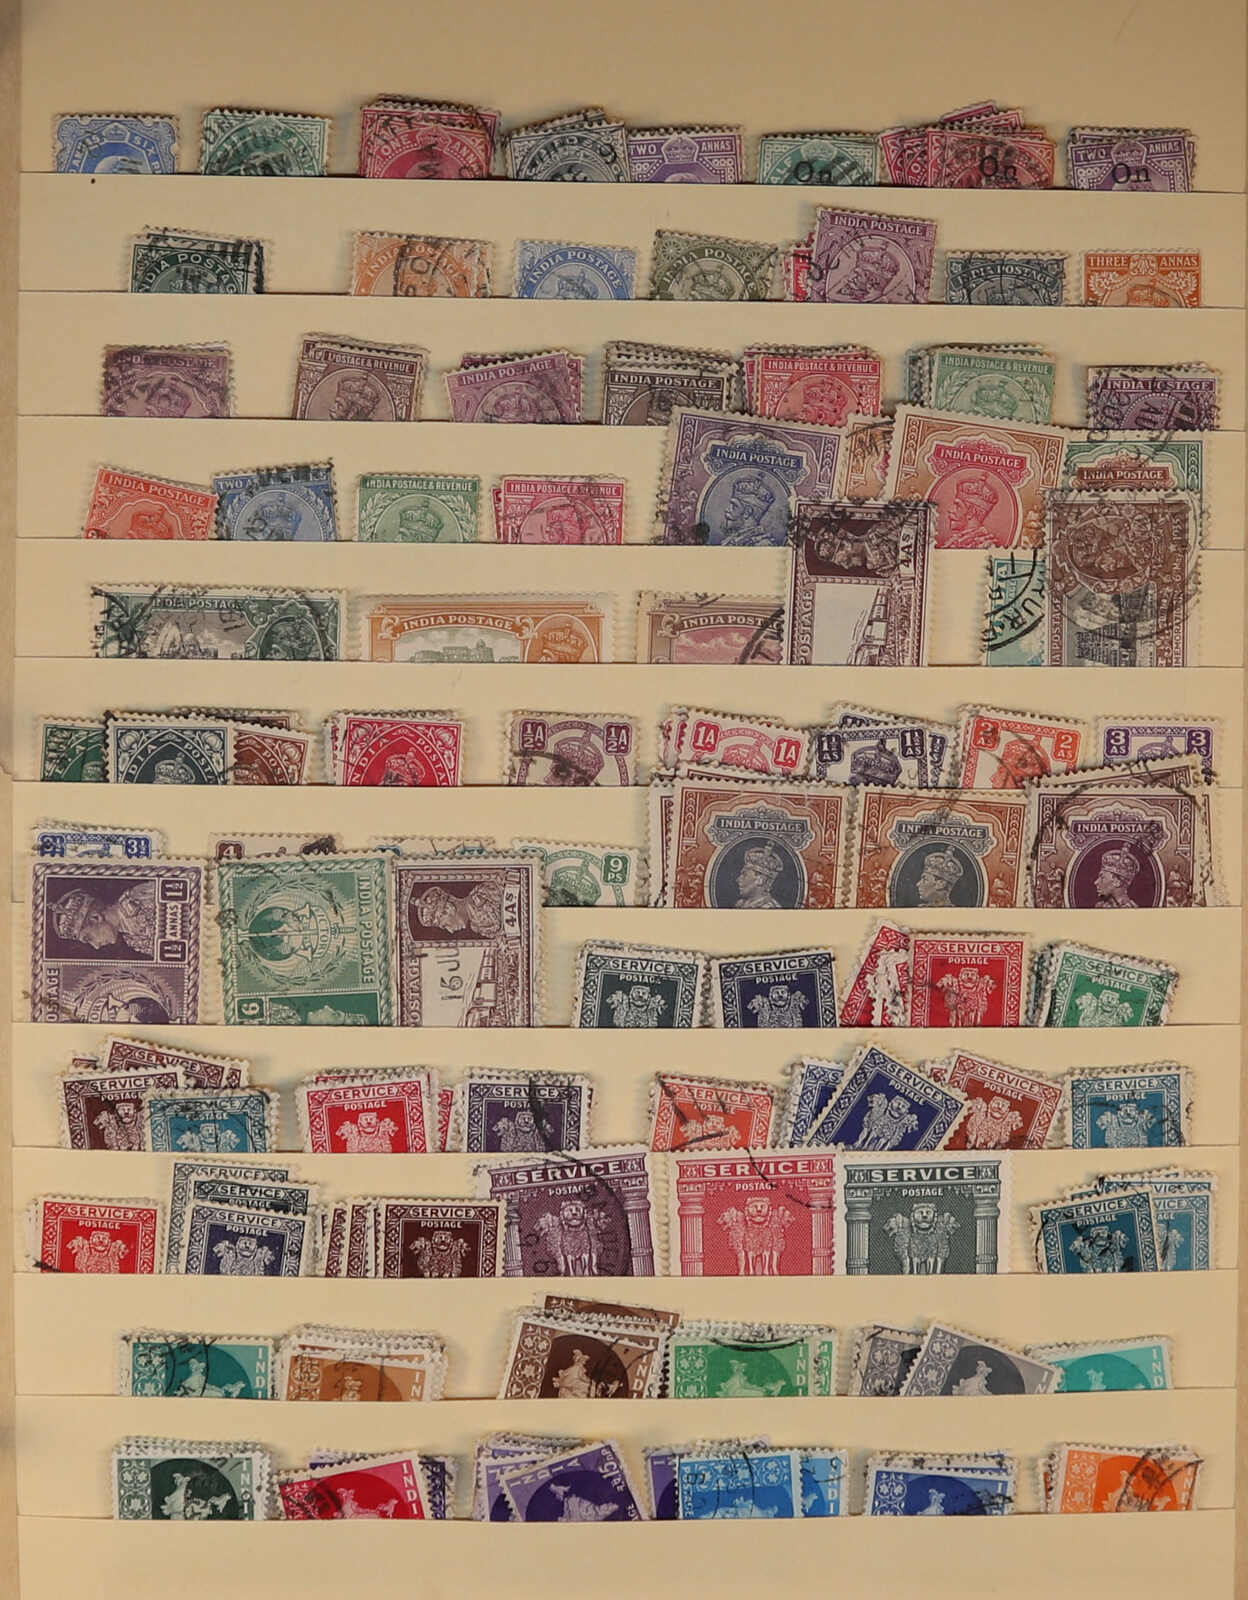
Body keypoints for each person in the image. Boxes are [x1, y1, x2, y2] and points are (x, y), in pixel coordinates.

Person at [51, 881, 156, 956]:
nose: (96, 946)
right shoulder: (133, 942)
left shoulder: (139, 897)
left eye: (88, 938)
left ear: (95, 917)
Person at [732, 841, 787, 909]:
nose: (738, 880)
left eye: (744, 875)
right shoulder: (741, 904)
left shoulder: (771, 909)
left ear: (760, 880)